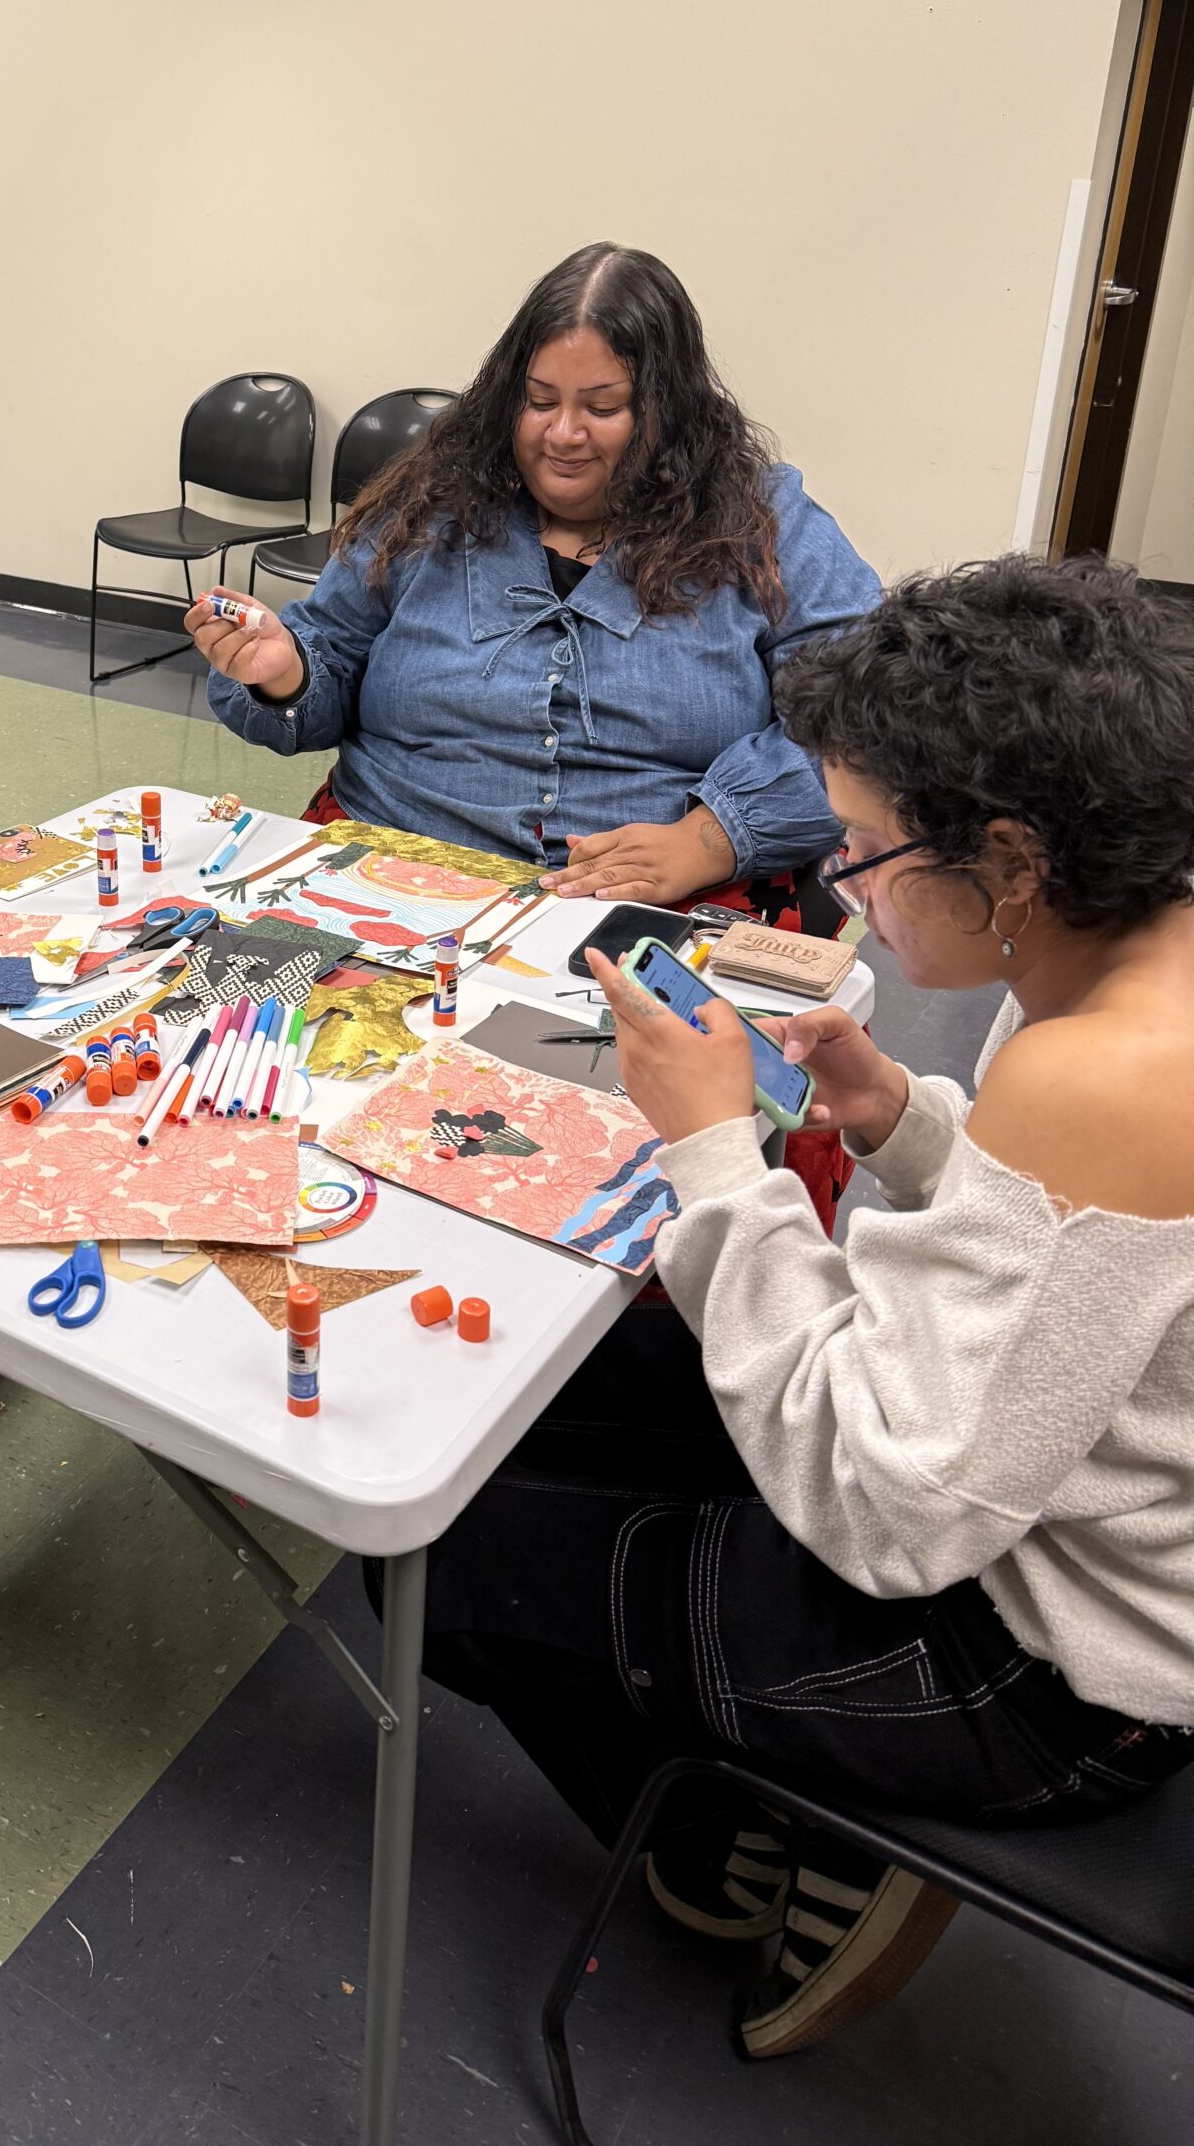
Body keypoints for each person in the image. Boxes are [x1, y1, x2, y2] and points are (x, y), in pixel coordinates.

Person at [408, 557, 1194, 2060]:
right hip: (1051, 1512)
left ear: (1013, 857)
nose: (850, 888)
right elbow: (1077, 1272)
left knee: (441, 1561)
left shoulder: (1100, 1074)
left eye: (867, 853)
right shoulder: (1141, 960)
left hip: (1044, 1667)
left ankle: (738, 1846)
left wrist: (715, 1149)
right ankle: (747, 1754)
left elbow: (889, 1513)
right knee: (585, 1391)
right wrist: (901, 1118)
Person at [189, 243, 880, 911]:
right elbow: (329, 655)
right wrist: (286, 673)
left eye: (603, 408)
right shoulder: (430, 501)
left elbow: (864, 718)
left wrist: (709, 838)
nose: (563, 434)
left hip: (661, 899)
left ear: (670, 412)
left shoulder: (765, 521)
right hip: (388, 872)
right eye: (539, 401)